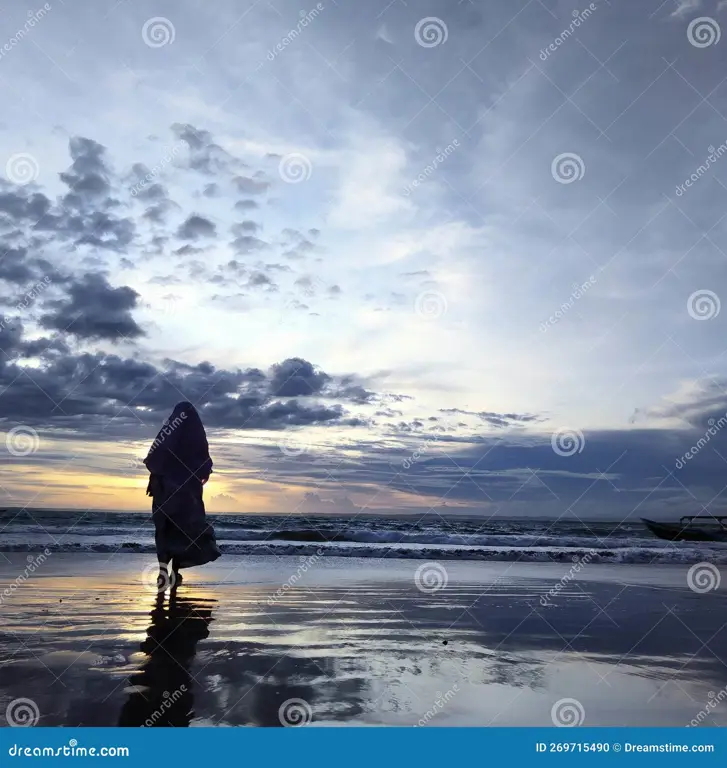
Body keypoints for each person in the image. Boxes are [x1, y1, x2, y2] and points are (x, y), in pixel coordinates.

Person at [144, 401, 220, 590]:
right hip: (187, 495)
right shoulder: (196, 438)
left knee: (164, 531)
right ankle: (175, 572)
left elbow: (156, 457)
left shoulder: (168, 433)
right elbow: (204, 463)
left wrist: (154, 481)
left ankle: (162, 573)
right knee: (183, 532)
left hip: (164, 491)